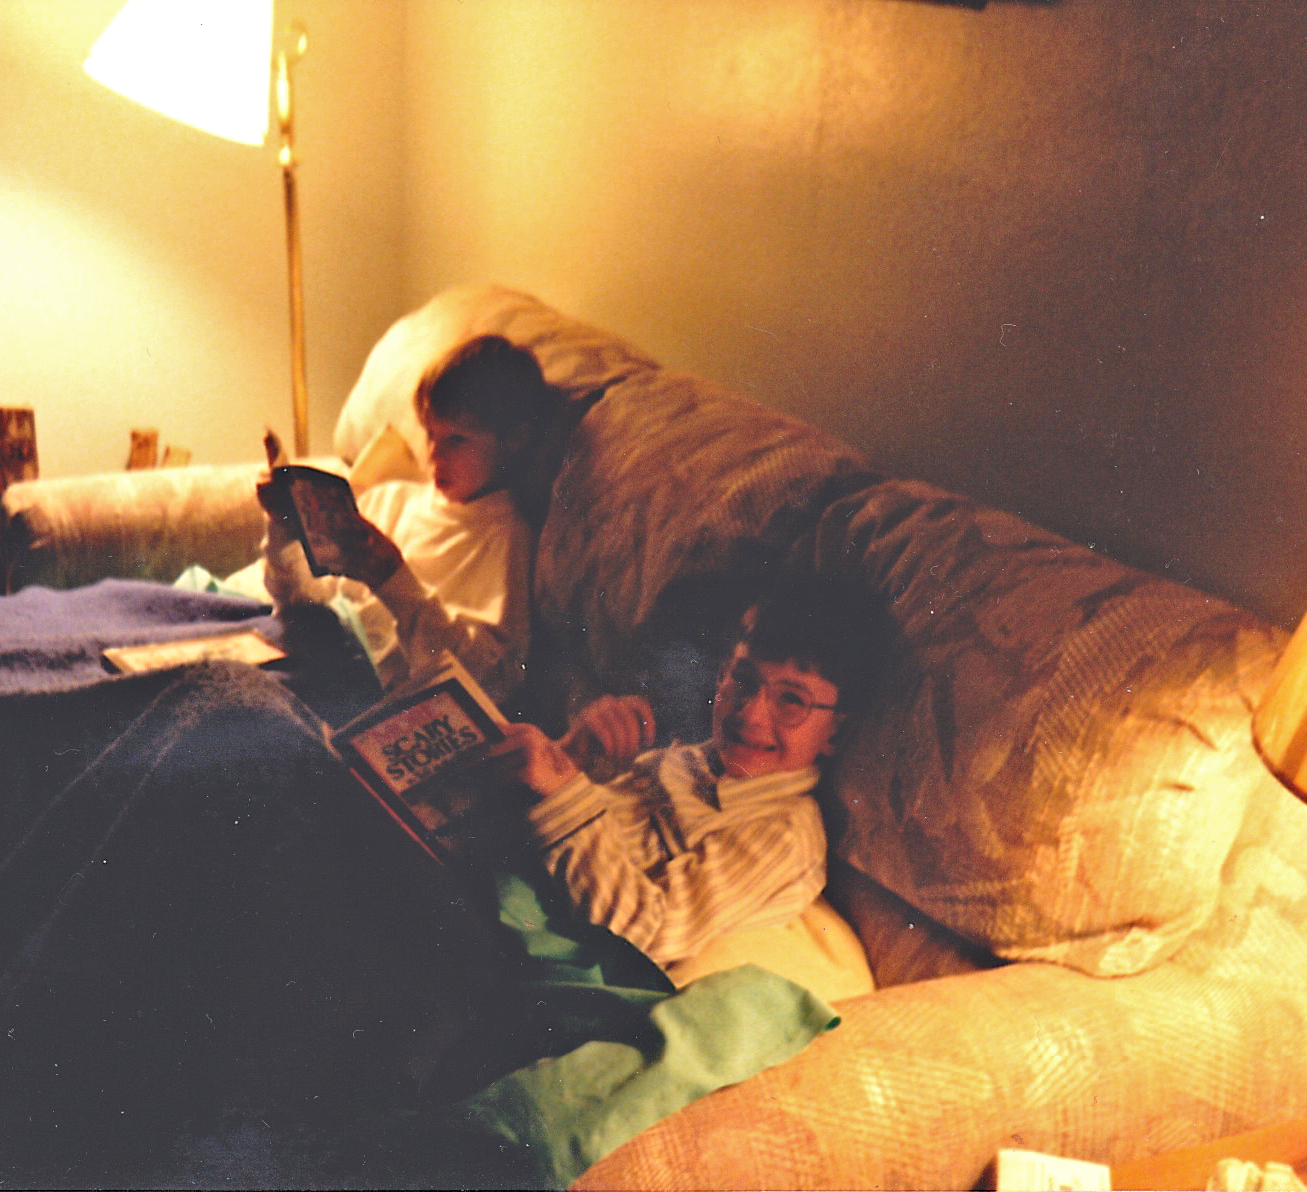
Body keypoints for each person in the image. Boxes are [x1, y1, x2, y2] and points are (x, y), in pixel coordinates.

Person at [491, 574, 883, 969]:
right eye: (743, 680)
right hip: (521, 870)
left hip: (551, 932)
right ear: (721, 676)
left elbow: (648, 936)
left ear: (836, 732)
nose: (751, 715)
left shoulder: (784, 834)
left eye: (792, 700)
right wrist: (571, 757)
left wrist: (564, 795)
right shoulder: (691, 759)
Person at [234, 334, 564, 706]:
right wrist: (283, 527)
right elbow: (295, 599)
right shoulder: (390, 500)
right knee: (185, 621)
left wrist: (393, 579)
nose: (434, 454)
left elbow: (483, 682)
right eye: (430, 434)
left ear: (515, 439)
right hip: (287, 632)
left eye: (456, 440)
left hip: (348, 682)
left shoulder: (506, 540)